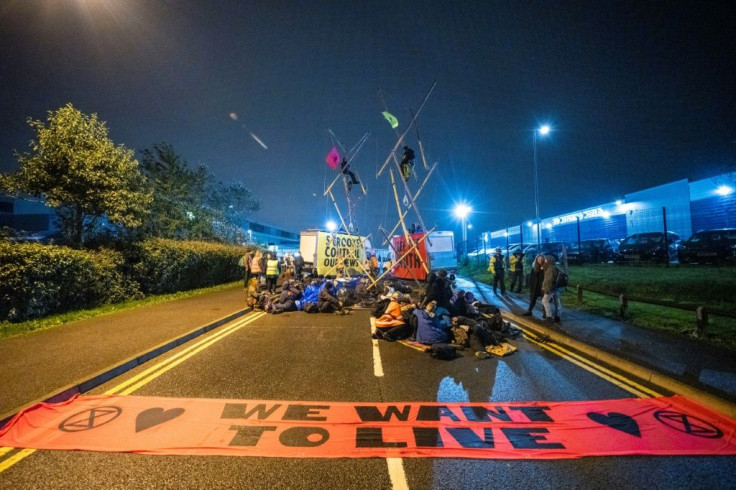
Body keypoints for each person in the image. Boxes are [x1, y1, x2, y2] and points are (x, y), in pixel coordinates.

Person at [541, 254, 562, 323]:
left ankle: (549, 316)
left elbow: (549, 280)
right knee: (557, 302)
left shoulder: (550, 269)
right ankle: (558, 316)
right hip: (557, 288)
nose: (545, 260)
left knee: (544, 301)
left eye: (546, 259)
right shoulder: (555, 267)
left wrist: (547, 289)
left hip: (550, 288)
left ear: (549, 260)